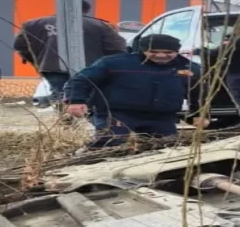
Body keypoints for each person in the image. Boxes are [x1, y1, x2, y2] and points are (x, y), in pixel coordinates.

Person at [64, 34, 207, 149]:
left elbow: (198, 91)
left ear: (177, 51)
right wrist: (76, 100)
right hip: (117, 114)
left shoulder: (189, 68)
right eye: (153, 52)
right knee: (111, 144)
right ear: (142, 50)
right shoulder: (114, 63)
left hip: (161, 117)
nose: (161, 56)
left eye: (168, 52)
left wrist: (199, 114)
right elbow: (81, 80)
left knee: (165, 148)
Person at [13, 0, 128, 103]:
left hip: (52, 67)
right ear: (86, 10)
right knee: (88, 95)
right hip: (90, 68)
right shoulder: (101, 25)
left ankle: (65, 122)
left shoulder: (33, 24)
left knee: (61, 95)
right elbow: (117, 48)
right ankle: (84, 120)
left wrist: (38, 61)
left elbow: (20, 46)